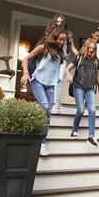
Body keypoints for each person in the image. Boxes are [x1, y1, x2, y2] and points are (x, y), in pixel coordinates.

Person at [21, 27, 67, 156]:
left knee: (48, 112)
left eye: (64, 40)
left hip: (50, 85)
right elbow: (26, 59)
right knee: (46, 107)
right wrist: (25, 73)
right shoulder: (43, 48)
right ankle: (37, 135)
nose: (62, 42)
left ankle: (42, 143)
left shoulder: (60, 53)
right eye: (60, 39)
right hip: (38, 82)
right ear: (55, 37)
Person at [65, 39, 99, 147]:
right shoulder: (80, 57)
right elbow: (67, 69)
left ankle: (91, 136)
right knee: (81, 110)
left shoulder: (96, 60)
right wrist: (68, 74)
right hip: (78, 87)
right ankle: (74, 130)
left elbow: (97, 76)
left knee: (92, 109)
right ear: (86, 47)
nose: (91, 50)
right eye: (89, 47)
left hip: (90, 88)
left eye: (93, 48)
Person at [45, 14, 78, 113]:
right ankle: (48, 103)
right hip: (52, 58)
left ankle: (57, 105)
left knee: (59, 80)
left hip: (62, 59)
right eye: (57, 22)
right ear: (54, 22)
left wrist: (80, 56)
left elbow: (72, 47)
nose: (59, 24)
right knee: (49, 79)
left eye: (61, 22)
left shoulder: (68, 34)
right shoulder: (50, 32)